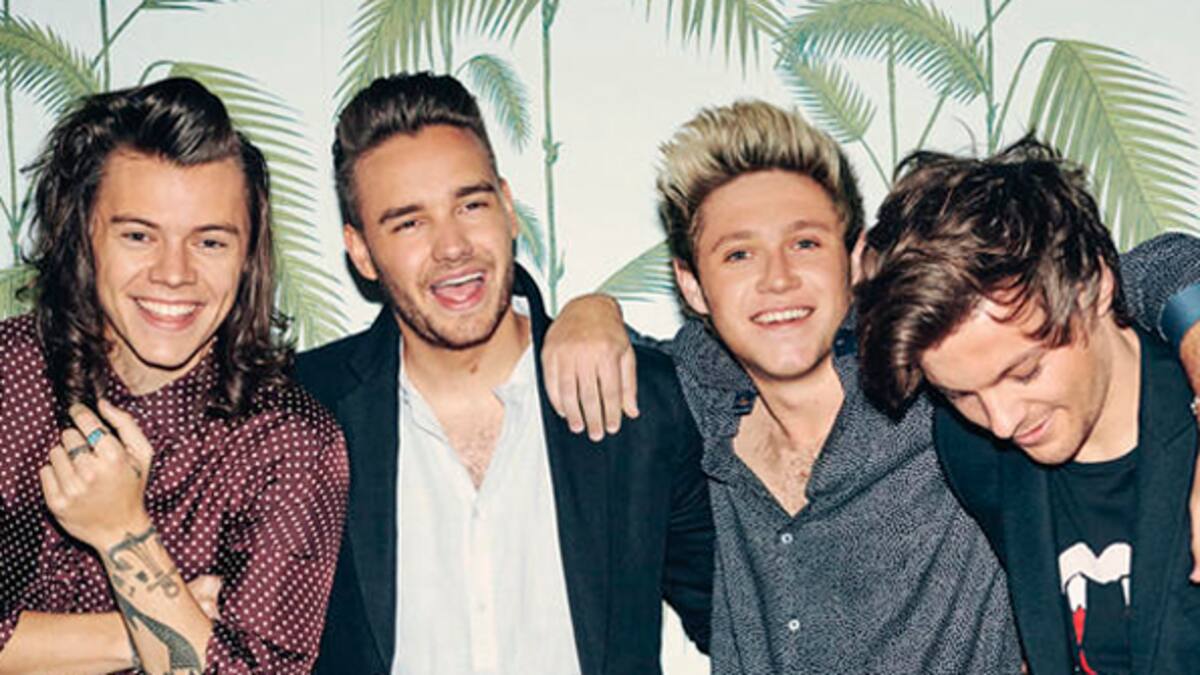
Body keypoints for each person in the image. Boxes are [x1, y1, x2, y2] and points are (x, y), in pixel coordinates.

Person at [541, 101, 1200, 673]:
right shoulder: (691, 397)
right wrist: (588, 311)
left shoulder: (924, 389)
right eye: (739, 254)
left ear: (854, 259)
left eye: (804, 243)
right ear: (691, 284)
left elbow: (1134, 270)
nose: (777, 279)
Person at [299, 72, 713, 675]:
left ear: (509, 208)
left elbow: (746, 618)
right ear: (361, 250)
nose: (452, 246)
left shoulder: (639, 401)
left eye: (471, 205)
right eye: (409, 222)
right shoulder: (305, 411)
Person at [0, 77, 348, 674]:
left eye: (209, 242)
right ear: (83, 235)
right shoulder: (12, 377)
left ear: (248, 256)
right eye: (138, 236)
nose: (174, 273)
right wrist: (141, 632)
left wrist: (122, 532)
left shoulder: (290, 443)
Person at [856, 137, 1200, 674]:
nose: (1002, 421)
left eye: (1023, 372)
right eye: (960, 394)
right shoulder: (969, 449)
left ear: (1092, 286)